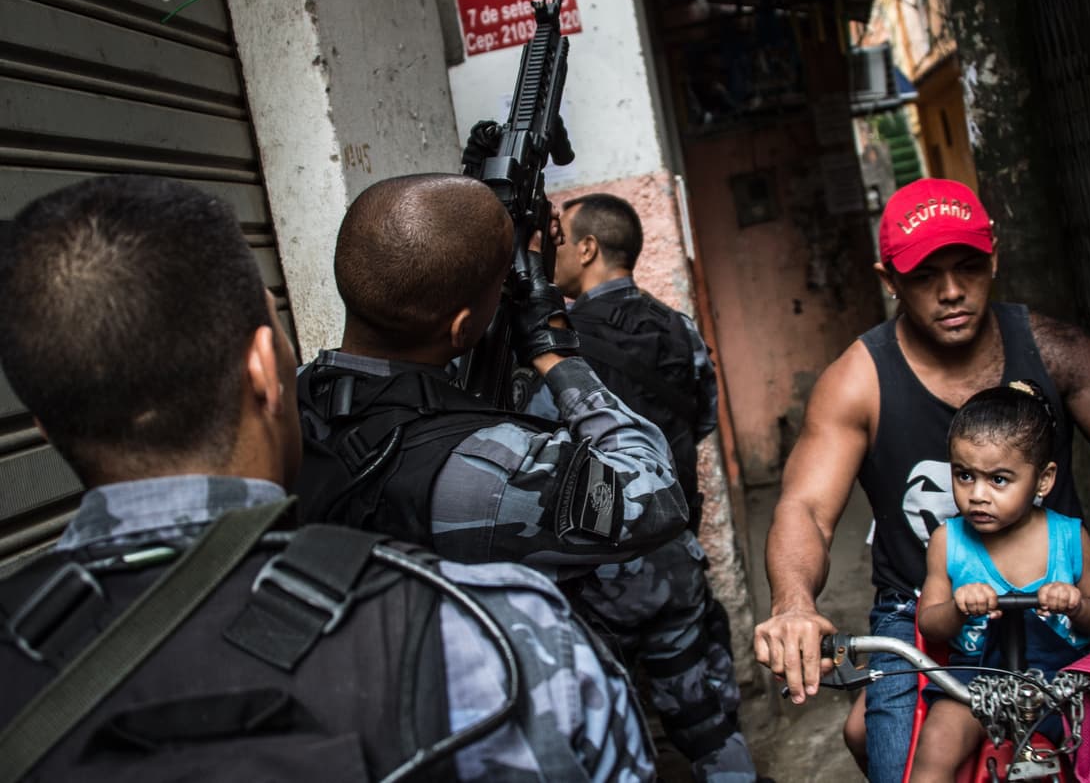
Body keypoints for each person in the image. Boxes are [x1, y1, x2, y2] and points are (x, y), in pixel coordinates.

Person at [0, 175, 655, 781]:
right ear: (263, 369)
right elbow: (649, 500)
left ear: (46, 425)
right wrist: (553, 354)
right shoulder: (502, 638)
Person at [753, 177, 1090, 783]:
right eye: (923, 276)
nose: (950, 292)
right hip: (924, 613)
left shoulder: (1054, 350)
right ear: (889, 280)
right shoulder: (858, 380)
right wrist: (793, 606)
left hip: (1057, 598)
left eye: (967, 267)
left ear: (994, 257)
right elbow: (807, 506)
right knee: (902, 766)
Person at [292, 174, 688, 580]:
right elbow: (658, 500)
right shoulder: (492, 471)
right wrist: (555, 352)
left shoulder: (285, 398)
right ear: (462, 329)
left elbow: (426, 265)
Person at [524, 193, 757, 781]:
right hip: (678, 552)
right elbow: (703, 418)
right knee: (706, 717)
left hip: (599, 573)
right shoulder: (679, 327)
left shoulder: (555, 348)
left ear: (587, 248)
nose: (552, 252)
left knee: (609, 730)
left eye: (561, 239)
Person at [911, 381, 1090, 782]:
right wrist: (956, 607)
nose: (978, 495)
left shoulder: (1070, 538)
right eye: (965, 475)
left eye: (999, 480)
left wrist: (1077, 604)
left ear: (1043, 480)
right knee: (936, 743)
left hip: (1066, 682)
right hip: (978, 683)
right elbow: (929, 623)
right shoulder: (947, 541)